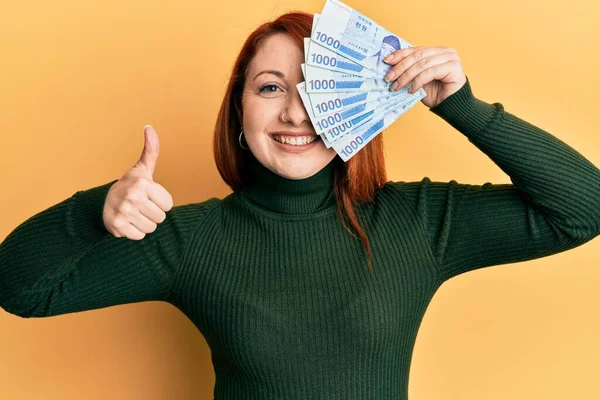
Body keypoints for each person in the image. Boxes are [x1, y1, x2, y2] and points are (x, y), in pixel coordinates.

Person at [1, 11, 599, 400]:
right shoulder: (191, 239)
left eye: (317, 86)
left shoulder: (416, 222)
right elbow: (20, 290)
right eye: (269, 88)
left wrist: (462, 105)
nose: (294, 112)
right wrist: (93, 211)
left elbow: (582, 208)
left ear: (354, 101)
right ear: (239, 110)